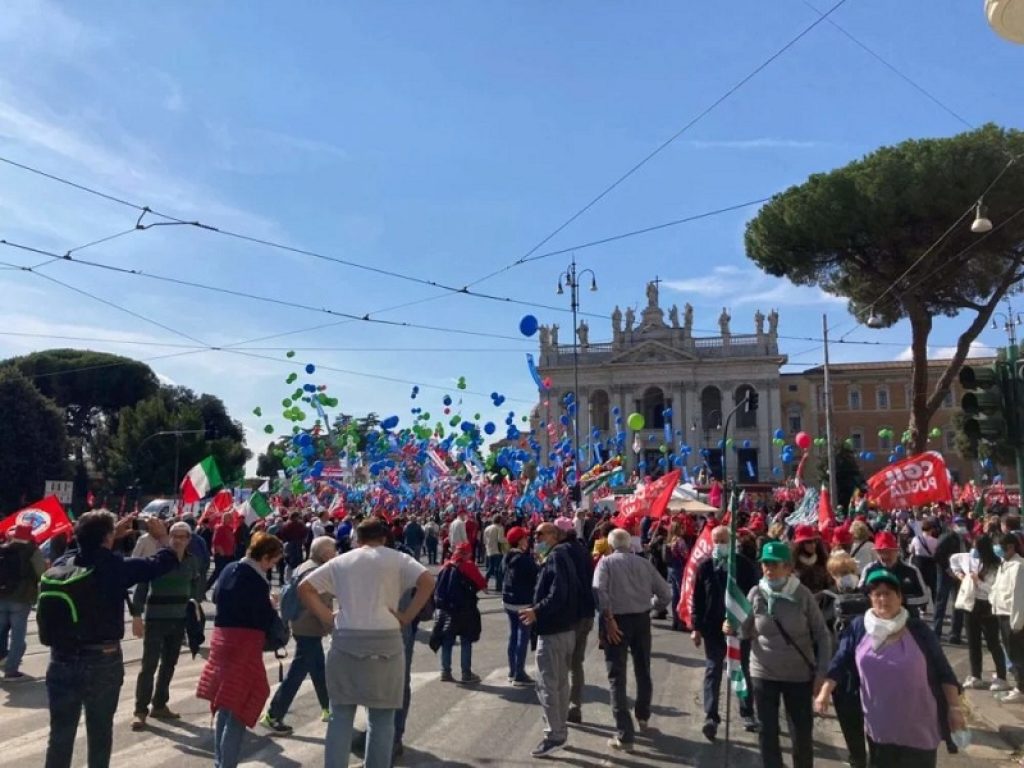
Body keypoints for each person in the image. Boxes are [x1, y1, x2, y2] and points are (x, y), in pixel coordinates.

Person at [43, 512, 177, 768]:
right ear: (108, 537)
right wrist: (163, 537)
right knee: (100, 733)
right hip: (101, 660)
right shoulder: (116, 567)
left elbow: (81, 550)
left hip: (60, 659)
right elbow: (162, 563)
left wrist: (106, 534)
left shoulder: (63, 563)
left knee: (60, 735)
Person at [298, 517, 434, 768]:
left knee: (340, 715)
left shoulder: (341, 561)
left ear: (357, 539)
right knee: (382, 719)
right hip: (386, 640)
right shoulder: (398, 559)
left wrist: (328, 617)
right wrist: (407, 616)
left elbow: (305, 587)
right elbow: (428, 580)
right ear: (383, 538)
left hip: (346, 638)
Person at [815, 570, 965, 767]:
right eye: (877, 594)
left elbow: (944, 671)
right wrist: (824, 692)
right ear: (870, 598)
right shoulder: (859, 627)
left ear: (900, 597)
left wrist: (954, 708)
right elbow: (840, 661)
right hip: (879, 725)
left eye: (888, 593)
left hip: (918, 725)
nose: (882, 599)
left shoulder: (918, 630)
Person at [733, 541, 831, 768]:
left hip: (798, 675)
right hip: (763, 673)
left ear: (788, 567)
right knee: (767, 732)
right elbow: (745, 631)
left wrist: (822, 673)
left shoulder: (802, 594)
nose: (768, 569)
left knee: (801, 734)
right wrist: (733, 626)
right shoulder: (756, 593)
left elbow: (822, 635)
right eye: (765, 564)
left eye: (774, 564)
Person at [196, 532, 284, 768]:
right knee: (238, 707)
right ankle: (227, 764)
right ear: (264, 557)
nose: (272, 567)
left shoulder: (229, 569)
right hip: (244, 646)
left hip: (222, 641)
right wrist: (272, 605)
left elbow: (215, 596)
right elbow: (263, 618)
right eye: (273, 562)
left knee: (226, 705)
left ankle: (220, 762)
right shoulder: (255, 580)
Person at [593, 528, 673, 752]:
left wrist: (607, 617)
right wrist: (652, 607)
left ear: (610, 545)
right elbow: (665, 592)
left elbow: (599, 589)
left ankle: (625, 734)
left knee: (616, 676)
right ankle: (643, 716)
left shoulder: (606, 563)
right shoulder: (644, 563)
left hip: (617, 620)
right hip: (641, 619)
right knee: (642, 668)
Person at [130, 521, 205, 730]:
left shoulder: (192, 562)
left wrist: (194, 606)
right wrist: (137, 615)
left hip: (179, 619)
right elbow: (142, 587)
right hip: (156, 619)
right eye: (175, 535)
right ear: (169, 537)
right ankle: (140, 711)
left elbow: (196, 586)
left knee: (169, 664)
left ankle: (160, 704)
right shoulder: (159, 559)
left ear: (189, 540)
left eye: (183, 536)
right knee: (149, 666)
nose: (179, 540)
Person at [260, 536, 337, 734]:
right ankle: (274, 714)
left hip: (300, 623)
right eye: (333, 550)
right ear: (325, 553)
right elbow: (322, 605)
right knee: (297, 673)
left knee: (318, 669)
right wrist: (333, 628)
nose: (335, 553)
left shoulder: (303, 566)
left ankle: (328, 708)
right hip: (309, 625)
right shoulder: (319, 572)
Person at [690, 525, 759, 741]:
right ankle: (711, 717)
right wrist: (696, 628)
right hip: (713, 628)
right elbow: (698, 599)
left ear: (730, 542)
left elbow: (754, 596)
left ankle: (747, 712)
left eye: (723, 540)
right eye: (716, 540)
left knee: (741, 669)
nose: (720, 544)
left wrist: (747, 623)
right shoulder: (705, 567)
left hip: (739, 628)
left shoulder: (744, 566)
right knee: (713, 670)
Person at [520, 522, 581, 759]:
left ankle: (554, 735)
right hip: (566, 629)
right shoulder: (564, 554)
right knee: (560, 683)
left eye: (541, 534)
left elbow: (558, 593)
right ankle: (560, 728)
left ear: (555, 536)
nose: (537, 538)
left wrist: (537, 611)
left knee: (547, 685)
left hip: (554, 631)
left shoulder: (557, 556)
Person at [821, 552, 870, 768]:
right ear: (832, 575)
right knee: (849, 718)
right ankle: (857, 757)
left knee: (872, 718)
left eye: (850, 572)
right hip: (841, 669)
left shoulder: (869, 595)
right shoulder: (825, 597)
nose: (847, 576)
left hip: (868, 668)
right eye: (841, 573)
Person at [555, 515, 596, 726]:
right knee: (576, 663)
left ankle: (561, 706)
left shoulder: (559, 552)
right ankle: (575, 706)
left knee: (561, 663)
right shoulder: (582, 549)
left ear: (560, 534)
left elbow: (558, 587)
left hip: (569, 615)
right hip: (587, 613)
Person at [957, 534, 1010, 692]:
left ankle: (1002, 677)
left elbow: (993, 588)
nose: (974, 550)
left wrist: (977, 581)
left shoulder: (996, 565)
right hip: (972, 604)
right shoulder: (977, 563)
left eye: (976, 547)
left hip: (987, 606)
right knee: (973, 642)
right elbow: (954, 560)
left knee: (993, 642)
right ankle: (976, 675)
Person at [431, 541, 485, 684]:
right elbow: (482, 584)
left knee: (447, 641)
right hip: (465, 609)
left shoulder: (446, 565)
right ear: (466, 553)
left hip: (447, 610)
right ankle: (466, 673)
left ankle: (445, 671)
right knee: (466, 641)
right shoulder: (468, 566)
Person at [0, 523, 46, 680]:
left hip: (1, 596)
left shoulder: (2, 549)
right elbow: (42, 573)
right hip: (21, 598)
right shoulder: (32, 551)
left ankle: (2, 658)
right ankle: (11, 670)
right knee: (17, 637)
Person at [859, 531, 930, 618]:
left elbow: (925, 598)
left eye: (888, 551)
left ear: (896, 550)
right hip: (879, 620)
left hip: (907, 619)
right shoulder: (869, 569)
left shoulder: (912, 570)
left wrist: (902, 600)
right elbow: (861, 595)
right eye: (880, 552)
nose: (884, 556)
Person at [989, 533, 1024, 703]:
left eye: (1001, 547)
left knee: (1017, 654)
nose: (998, 550)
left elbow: (1018, 596)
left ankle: (1021, 688)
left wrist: (1017, 623)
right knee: (1011, 653)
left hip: (1012, 617)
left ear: (1011, 547)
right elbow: (996, 588)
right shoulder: (1005, 564)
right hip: (1001, 614)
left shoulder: (1019, 567)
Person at [502, 526, 538, 686]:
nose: (527, 540)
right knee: (522, 637)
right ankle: (519, 673)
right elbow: (536, 576)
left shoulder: (508, 556)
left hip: (509, 600)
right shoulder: (524, 559)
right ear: (519, 541)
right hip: (522, 601)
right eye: (524, 537)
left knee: (513, 635)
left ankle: (512, 670)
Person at [933, 517, 969, 644]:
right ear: (953, 525)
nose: (961, 526)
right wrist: (948, 569)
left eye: (963, 524)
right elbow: (937, 555)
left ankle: (955, 634)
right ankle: (936, 632)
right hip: (946, 574)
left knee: (958, 604)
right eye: (959, 524)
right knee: (941, 603)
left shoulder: (964, 539)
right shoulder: (947, 537)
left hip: (959, 575)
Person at [665, 521, 689, 632]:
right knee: (681, 594)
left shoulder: (669, 540)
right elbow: (685, 554)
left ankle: (675, 621)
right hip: (680, 568)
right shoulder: (680, 541)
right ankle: (681, 621)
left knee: (675, 595)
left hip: (671, 568)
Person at [792, 524, 830, 594]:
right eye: (808, 542)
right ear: (801, 544)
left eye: (815, 541)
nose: (813, 545)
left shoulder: (822, 559)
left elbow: (829, 584)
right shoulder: (793, 563)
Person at [483, 515, 507, 592]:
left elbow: (484, 540)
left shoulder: (487, 528)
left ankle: (483, 583)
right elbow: (500, 539)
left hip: (489, 550)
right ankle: (498, 586)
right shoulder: (500, 528)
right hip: (497, 550)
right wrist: (507, 540)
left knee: (490, 568)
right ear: (500, 520)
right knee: (498, 569)